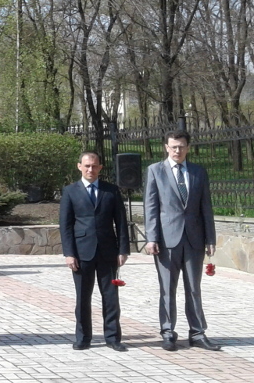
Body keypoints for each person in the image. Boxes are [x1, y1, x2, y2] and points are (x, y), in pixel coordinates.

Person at [144, 130, 220, 351]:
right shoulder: (155, 171)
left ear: (188, 148)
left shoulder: (198, 172)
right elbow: (151, 207)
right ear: (166, 147)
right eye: (173, 146)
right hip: (166, 241)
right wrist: (151, 238)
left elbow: (206, 207)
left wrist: (210, 238)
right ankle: (168, 332)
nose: (177, 150)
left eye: (181, 146)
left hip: (194, 240)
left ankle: (197, 333)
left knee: (194, 288)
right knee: (167, 289)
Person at [60, 152, 130, 352]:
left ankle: (113, 337)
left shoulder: (111, 190)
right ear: (79, 166)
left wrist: (123, 249)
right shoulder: (70, 191)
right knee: (83, 297)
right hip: (82, 253)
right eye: (87, 166)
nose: (90, 169)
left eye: (94, 166)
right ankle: (83, 337)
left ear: (100, 167)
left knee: (111, 297)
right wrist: (69, 253)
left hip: (108, 251)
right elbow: (65, 225)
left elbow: (121, 222)